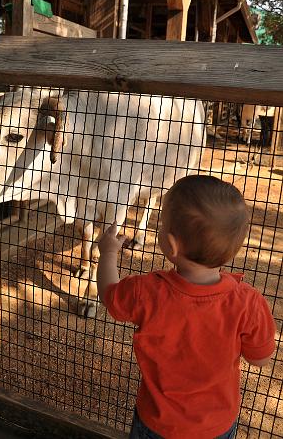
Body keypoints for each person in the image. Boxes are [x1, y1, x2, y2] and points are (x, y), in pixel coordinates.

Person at [97, 175, 276, 439]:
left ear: (171, 245)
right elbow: (260, 358)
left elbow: (109, 295)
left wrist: (108, 253)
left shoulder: (146, 291)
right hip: (216, 426)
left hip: (157, 423)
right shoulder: (248, 302)